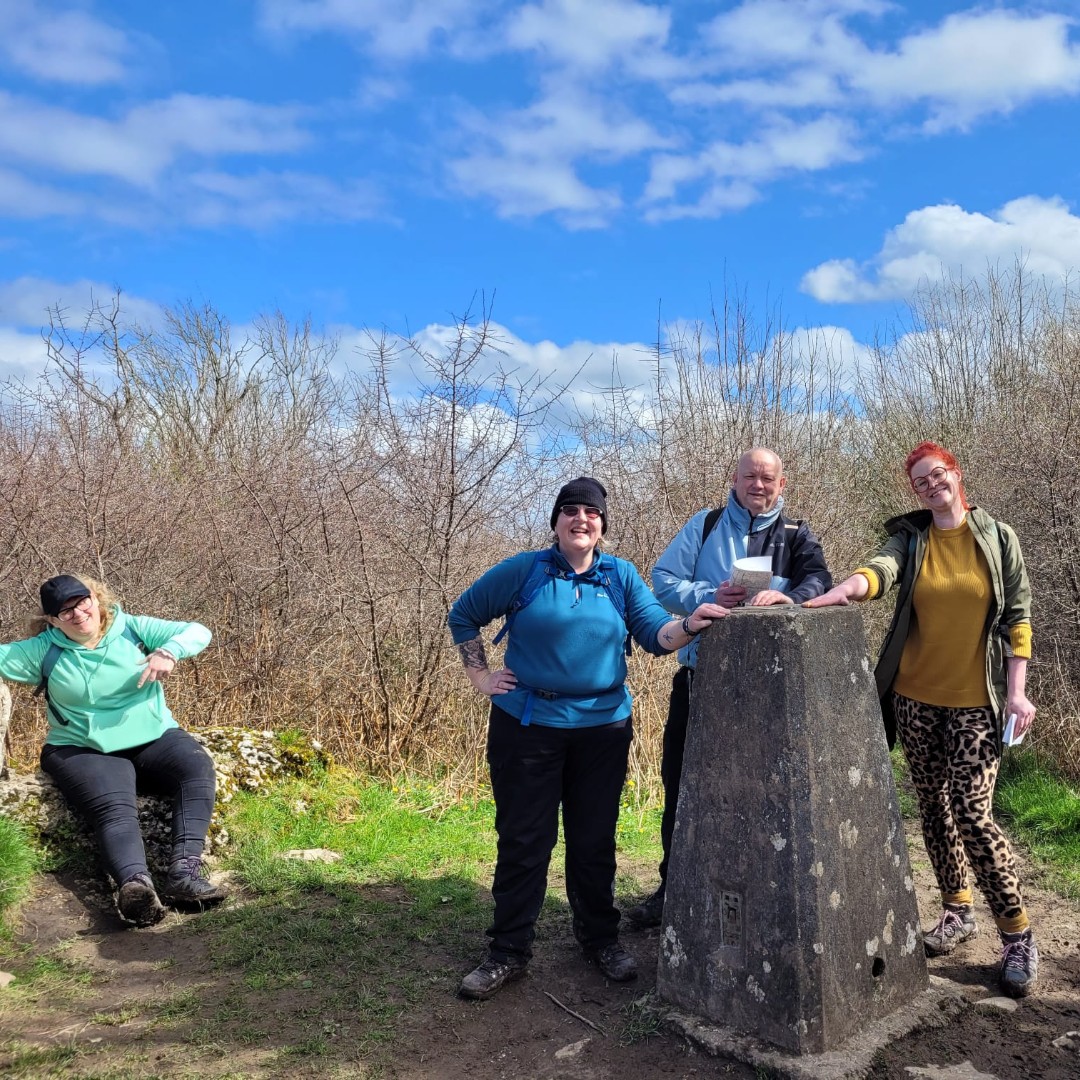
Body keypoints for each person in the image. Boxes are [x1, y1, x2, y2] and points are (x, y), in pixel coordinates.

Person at [448, 477, 728, 1000]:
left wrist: (691, 622)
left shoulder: (619, 575)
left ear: (602, 524)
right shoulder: (523, 571)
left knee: (594, 839)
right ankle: (508, 951)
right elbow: (463, 615)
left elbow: (655, 636)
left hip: (602, 730)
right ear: (555, 521)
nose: (582, 519)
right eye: (571, 511)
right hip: (526, 727)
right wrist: (482, 678)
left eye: (592, 513)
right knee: (524, 841)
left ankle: (600, 940)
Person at [804, 442, 1038, 997]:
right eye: (920, 482)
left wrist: (1018, 694)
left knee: (973, 812)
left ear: (956, 475)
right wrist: (846, 590)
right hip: (915, 699)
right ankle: (958, 910)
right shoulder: (913, 539)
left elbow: (1018, 618)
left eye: (938, 476)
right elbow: (880, 570)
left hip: (976, 702)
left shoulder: (998, 537)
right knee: (932, 806)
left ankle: (1017, 934)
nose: (931, 486)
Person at [628, 447, 832, 928]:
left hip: (768, 690)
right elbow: (661, 581)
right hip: (700, 678)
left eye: (767, 479)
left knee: (758, 796)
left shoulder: (796, 534)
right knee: (681, 785)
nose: (757, 485)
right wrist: (709, 594)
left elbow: (822, 579)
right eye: (749, 477)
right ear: (735, 479)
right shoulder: (705, 524)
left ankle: (756, 893)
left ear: (782, 485)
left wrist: (790, 595)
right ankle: (671, 888)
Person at [0, 574, 226, 927]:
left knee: (196, 770)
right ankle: (136, 888)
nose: (78, 613)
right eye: (65, 611)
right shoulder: (43, 650)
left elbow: (198, 631)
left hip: (152, 735)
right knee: (115, 805)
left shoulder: (132, 629)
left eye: (81, 601)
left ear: (95, 597)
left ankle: (184, 873)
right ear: (52, 621)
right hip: (81, 747)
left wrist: (169, 651)